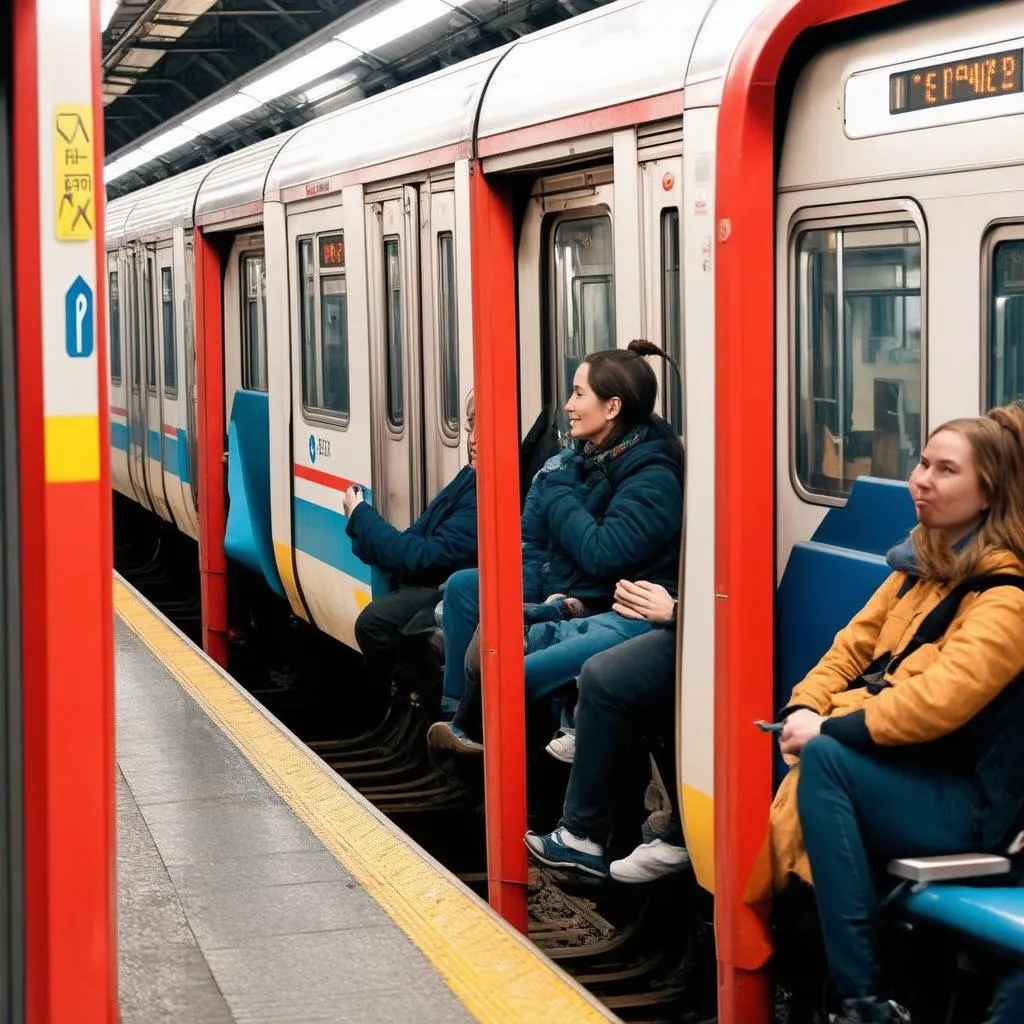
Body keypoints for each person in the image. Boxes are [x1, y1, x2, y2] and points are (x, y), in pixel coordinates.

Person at [748, 403, 1024, 1024]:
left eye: (945, 470)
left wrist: (826, 728)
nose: (921, 479)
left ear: (988, 495)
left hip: (969, 803)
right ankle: (847, 995)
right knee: (816, 759)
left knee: (824, 761)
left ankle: (861, 999)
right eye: (923, 463)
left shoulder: (1007, 600)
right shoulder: (920, 567)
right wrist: (803, 703)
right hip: (910, 775)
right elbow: (850, 649)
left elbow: (937, 703)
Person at [427, 340, 683, 755]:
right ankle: (461, 717)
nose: (567, 405)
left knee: (514, 664)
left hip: (617, 605)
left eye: (579, 393)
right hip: (578, 586)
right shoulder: (592, 458)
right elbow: (540, 535)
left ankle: (478, 739)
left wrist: (558, 494)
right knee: (464, 589)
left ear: (613, 408)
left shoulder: (650, 477)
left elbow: (602, 553)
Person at [524, 578, 690, 882]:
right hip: (669, 616)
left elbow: (608, 553)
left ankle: (582, 832)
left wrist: (680, 611)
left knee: (602, 677)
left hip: (696, 623)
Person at [343, 392, 477, 709]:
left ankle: (441, 704)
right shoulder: (470, 476)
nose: (473, 439)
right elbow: (411, 541)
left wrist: (361, 516)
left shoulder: (484, 491)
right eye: (471, 426)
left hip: (447, 587)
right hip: (433, 581)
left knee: (374, 624)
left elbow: (417, 557)